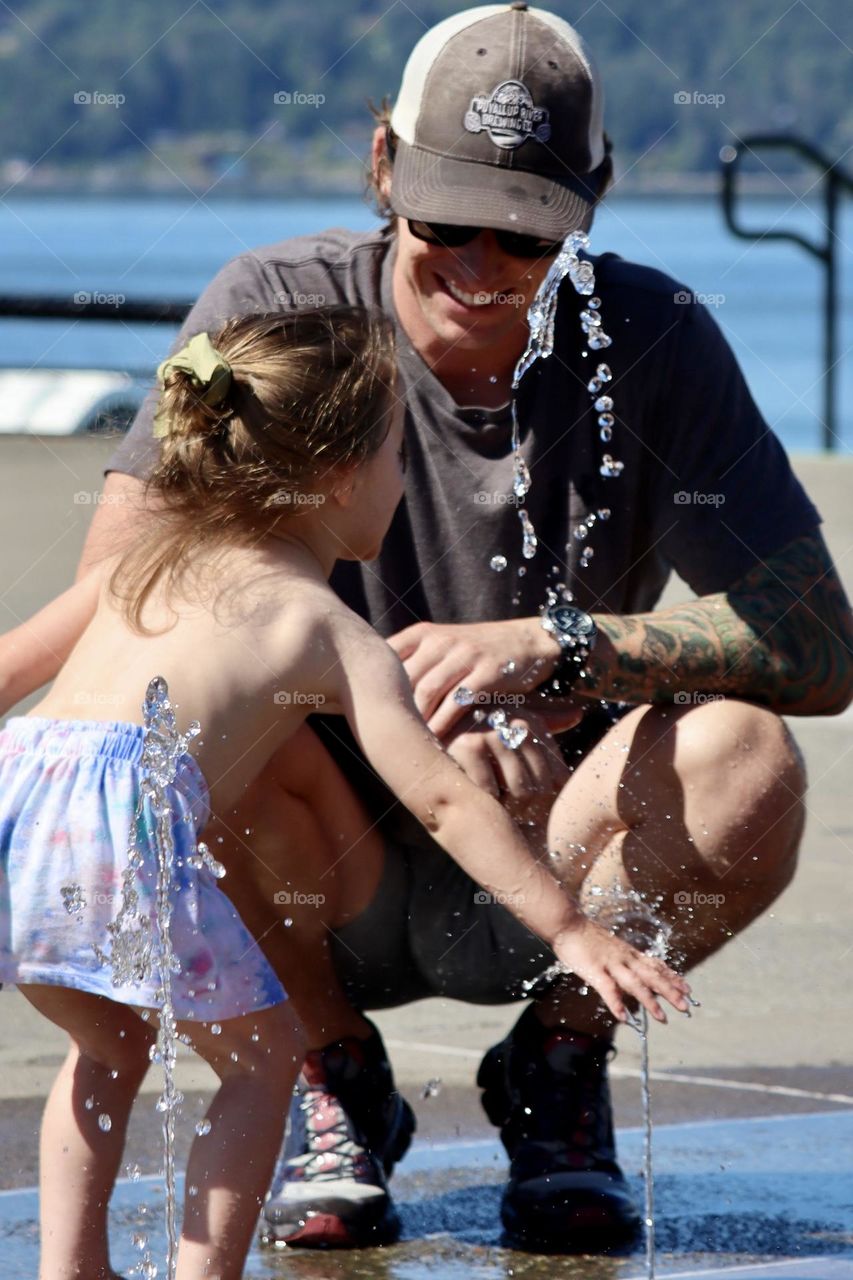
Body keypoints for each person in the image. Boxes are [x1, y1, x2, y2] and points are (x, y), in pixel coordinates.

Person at [2, 0, 851, 1257]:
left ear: (591, 201)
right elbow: (126, 607)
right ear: (383, 166)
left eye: (524, 231)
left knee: (746, 756)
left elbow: (820, 649)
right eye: (445, 216)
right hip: (313, 861)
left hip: (549, 834)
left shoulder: (653, 336)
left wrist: (558, 647)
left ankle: (557, 1065)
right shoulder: (287, 318)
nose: (479, 259)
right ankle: (328, 1069)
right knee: (174, 740)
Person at [0, 304, 691, 1280]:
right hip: (121, 827)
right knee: (263, 1057)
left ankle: (73, 1269)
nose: (403, 482)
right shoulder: (324, 628)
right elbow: (444, 800)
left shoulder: (137, 568)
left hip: (19, 811)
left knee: (107, 1047)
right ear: (334, 478)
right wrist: (571, 930)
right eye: (396, 458)